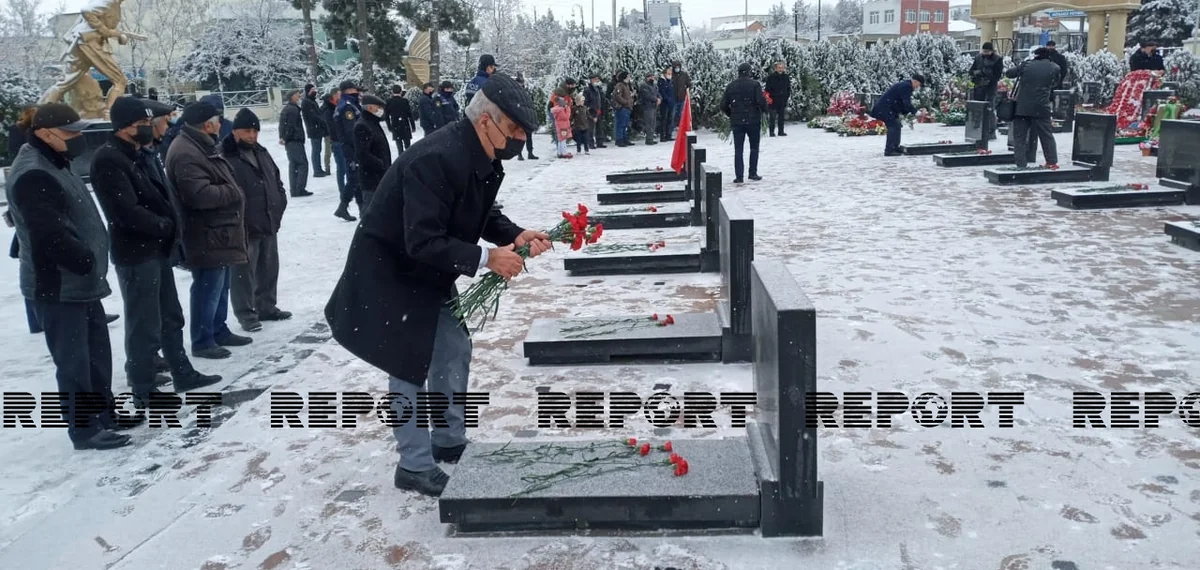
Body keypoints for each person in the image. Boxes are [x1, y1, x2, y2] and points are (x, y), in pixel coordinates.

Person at [324, 73, 551, 497]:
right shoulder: (437, 158)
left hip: (430, 269)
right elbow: (422, 238)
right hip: (392, 273)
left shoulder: (476, 154)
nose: (519, 139)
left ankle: (448, 438)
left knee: (452, 347)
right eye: (514, 129)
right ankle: (413, 465)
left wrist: (514, 235)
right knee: (408, 365)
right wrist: (486, 258)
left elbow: (475, 213)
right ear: (486, 121)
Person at [5, 103, 132, 450]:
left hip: (81, 283)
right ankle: (84, 429)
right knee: (74, 361)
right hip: (59, 284)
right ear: (45, 133)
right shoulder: (34, 172)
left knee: (95, 354)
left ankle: (105, 413)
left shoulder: (54, 160)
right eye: (71, 133)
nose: (78, 138)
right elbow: (49, 233)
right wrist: (84, 259)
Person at [90, 96, 223, 403]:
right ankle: (143, 387)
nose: (150, 129)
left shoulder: (139, 153)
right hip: (136, 253)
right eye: (143, 125)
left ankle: (181, 370)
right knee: (144, 324)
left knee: (170, 316)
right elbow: (124, 210)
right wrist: (163, 225)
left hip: (158, 249)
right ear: (124, 127)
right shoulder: (109, 158)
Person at [165, 102, 253, 359]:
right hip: (205, 233)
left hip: (219, 231)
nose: (220, 124)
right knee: (207, 287)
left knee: (220, 284)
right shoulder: (186, 152)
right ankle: (203, 339)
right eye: (217, 120)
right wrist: (233, 191)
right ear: (207, 124)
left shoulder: (201, 144)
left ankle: (218, 328)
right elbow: (199, 195)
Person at [221, 108, 292, 333]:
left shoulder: (261, 152)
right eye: (246, 131)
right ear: (235, 132)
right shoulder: (225, 156)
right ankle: (246, 314)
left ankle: (266, 306)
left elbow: (276, 180)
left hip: (268, 220)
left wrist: (279, 203)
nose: (252, 135)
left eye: (255, 131)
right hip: (244, 225)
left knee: (269, 268)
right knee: (243, 274)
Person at [1005, 48, 1061, 169]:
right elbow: (1055, 83)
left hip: (1022, 108)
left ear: (1035, 55)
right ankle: (1051, 162)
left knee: (1019, 138)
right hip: (1041, 108)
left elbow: (1009, 73)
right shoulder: (1055, 67)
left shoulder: (1026, 65)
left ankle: (1021, 164)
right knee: (1046, 135)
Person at [721, 63, 769, 184]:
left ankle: (739, 176)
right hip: (753, 120)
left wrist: (731, 114)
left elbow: (723, 105)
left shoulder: (731, 86)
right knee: (754, 147)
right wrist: (764, 111)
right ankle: (752, 172)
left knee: (738, 149)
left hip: (737, 121)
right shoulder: (755, 85)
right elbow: (760, 101)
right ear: (749, 72)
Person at [871, 74, 924, 157]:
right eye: (919, 85)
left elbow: (901, 103)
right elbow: (906, 103)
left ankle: (895, 147)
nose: (918, 87)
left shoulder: (905, 85)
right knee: (894, 126)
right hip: (884, 108)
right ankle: (890, 150)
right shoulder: (907, 86)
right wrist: (916, 112)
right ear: (915, 81)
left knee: (897, 125)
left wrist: (907, 112)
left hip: (887, 108)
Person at [355, 94, 393, 207]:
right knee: (370, 212)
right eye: (379, 107)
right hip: (371, 178)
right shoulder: (363, 126)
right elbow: (363, 154)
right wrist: (381, 165)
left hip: (379, 177)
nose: (381, 111)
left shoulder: (373, 123)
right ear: (370, 108)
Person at [334, 80, 363, 222]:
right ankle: (343, 206)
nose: (356, 91)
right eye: (353, 89)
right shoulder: (347, 107)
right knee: (353, 178)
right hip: (351, 147)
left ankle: (361, 207)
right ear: (348, 91)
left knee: (356, 177)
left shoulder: (349, 104)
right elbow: (351, 130)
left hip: (349, 146)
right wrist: (358, 146)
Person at [278, 90, 312, 198]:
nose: (299, 96)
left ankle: (295, 189)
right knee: (302, 164)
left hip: (290, 141)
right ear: (292, 97)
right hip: (294, 140)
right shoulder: (293, 110)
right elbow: (290, 126)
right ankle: (299, 189)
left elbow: (283, 125)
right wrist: (285, 137)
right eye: (297, 94)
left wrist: (283, 137)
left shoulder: (288, 109)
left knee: (293, 165)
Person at [301, 83, 330, 178]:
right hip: (314, 129)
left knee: (318, 150)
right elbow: (313, 116)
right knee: (316, 150)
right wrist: (322, 121)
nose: (315, 92)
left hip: (317, 129)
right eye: (312, 90)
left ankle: (318, 168)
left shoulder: (312, 101)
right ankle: (317, 170)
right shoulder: (307, 102)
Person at [514, 75, 539, 160]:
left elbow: (530, 101)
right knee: (520, 136)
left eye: (522, 82)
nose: (521, 84)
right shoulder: (514, 92)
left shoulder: (526, 91)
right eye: (520, 82)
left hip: (526, 115)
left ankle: (530, 152)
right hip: (519, 116)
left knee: (528, 135)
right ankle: (519, 154)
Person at [385, 85, 415, 153]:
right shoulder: (405, 101)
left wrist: (389, 127)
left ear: (392, 92)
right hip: (405, 125)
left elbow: (386, 116)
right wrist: (413, 126)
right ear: (401, 92)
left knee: (399, 147)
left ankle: (401, 159)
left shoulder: (389, 102)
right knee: (408, 146)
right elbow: (410, 114)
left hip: (395, 125)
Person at [764, 62, 791, 137]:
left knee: (781, 117)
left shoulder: (786, 77)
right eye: (779, 67)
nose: (780, 69)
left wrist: (786, 97)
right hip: (773, 100)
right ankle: (771, 132)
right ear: (775, 68)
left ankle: (781, 131)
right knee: (772, 118)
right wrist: (768, 98)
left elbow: (788, 88)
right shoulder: (771, 77)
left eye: (782, 67)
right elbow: (767, 89)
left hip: (782, 100)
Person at [321, 90, 340, 186]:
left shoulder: (329, 107)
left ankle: (327, 167)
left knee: (328, 151)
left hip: (329, 133)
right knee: (328, 151)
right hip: (329, 133)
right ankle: (327, 168)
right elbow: (327, 122)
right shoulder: (327, 109)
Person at [638, 72, 661, 146]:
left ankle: (651, 138)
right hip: (647, 106)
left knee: (653, 123)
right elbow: (647, 95)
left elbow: (658, 94)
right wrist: (656, 99)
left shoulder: (654, 86)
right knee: (649, 123)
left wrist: (659, 99)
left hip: (654, 106)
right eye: (650, 77)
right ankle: (649, 139)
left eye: (653, 77)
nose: (652, 78)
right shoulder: (644, 86)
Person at [584, 74, 606, 149]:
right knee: (591, 128)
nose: (597, 81)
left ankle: (600, 142)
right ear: (592, 80)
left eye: (598, 79)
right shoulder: (587, 90)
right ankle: (590, 143)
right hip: (592, 110)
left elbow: (602, 99)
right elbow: (586, 101)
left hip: (599, 110)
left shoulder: (599, 89)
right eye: (596, 79)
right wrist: (590, 108)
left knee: (599, 127)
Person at [671, 61, 692, 138]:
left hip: (682, 98)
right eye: (675, 67)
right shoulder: (672, 75)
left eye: (678, 67)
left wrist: (687, 89)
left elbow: (689, 84)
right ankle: (672, 129)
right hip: (674, 99)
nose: (677, 68)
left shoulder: (684, 75)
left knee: (681, 115)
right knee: (672, 115)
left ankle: (681, 129)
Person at [612, 71, 634, 147]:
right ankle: (619, 139)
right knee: (621, 124)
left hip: (627, 108)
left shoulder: (626, 85)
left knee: (625, 125)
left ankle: (625, 139)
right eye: (627, 76)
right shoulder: (620, 85)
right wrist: (626, 102)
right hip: (622, 107)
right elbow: (618, 96)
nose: (629, 78)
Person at [551, 94, 574, 159]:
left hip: (560, 126)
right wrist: (568, 109)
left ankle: (559, 152)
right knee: (563, 139)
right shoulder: (561, 110)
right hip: (563, 127)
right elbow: (566, 117)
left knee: (560, 139)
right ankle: (564, 153)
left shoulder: (557, 109)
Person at [657, 67, 676, 142]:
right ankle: (663, 136)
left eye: (670, 74)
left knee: (670, 119)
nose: (670, 75)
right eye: (668, 74)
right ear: (664, 74)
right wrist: (668, 99)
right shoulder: (662, 81)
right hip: (665, 103)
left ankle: (668, 135)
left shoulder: (670, 81)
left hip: (671, 103)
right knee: (664, 119)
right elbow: (662, 92)